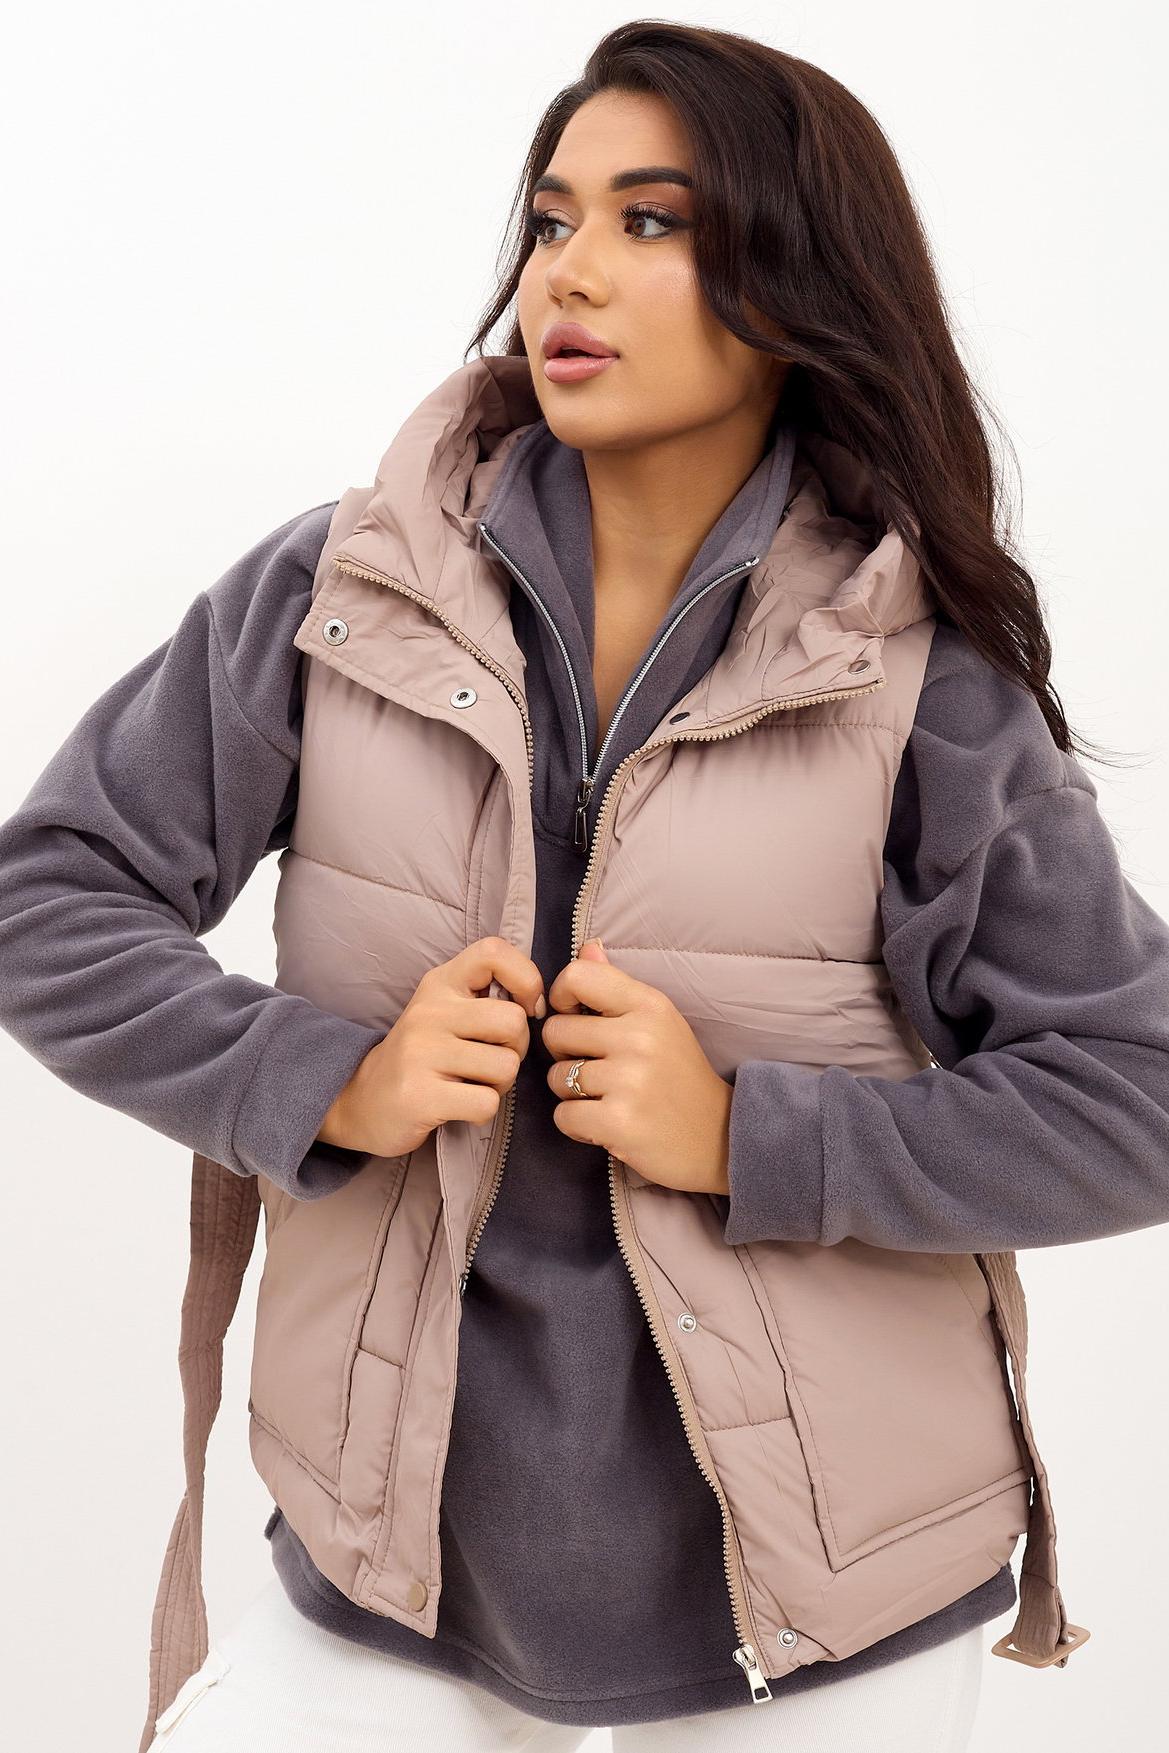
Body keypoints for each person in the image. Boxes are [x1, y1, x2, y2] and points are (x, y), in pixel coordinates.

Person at [1, 19, 1166, 1753]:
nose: (570, 271)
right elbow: (51, 895)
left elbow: (1137, 1090)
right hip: (395, 1563)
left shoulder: (908, 669)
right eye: (551, 220)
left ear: (792, 280)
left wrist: (749, 1136)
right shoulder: (342, 590)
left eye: (650, 221)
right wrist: (327, 1082)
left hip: (825, 1593)